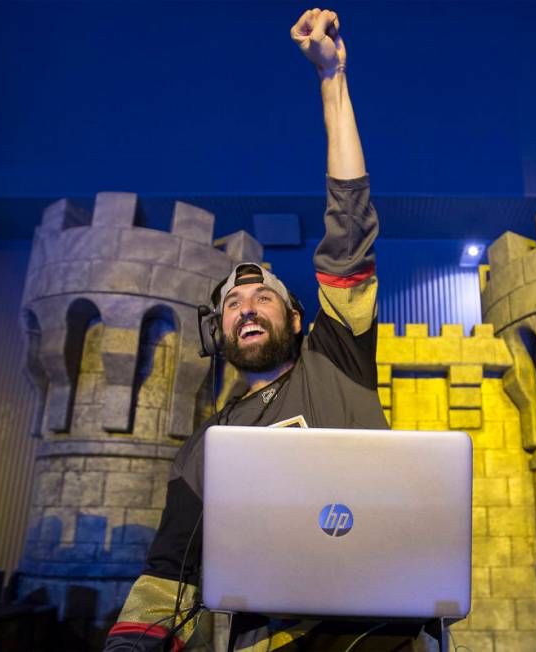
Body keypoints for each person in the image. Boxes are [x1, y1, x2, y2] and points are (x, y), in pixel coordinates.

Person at [104, 9, 426, 651]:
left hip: (377, 635)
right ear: (217, 331)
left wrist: (332, 82)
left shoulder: (335, 358)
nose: (246, 307)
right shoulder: (206, 448)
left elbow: (349, 225)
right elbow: (170, 570)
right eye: (231, 304)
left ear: (298, 318)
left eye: (263, 297)